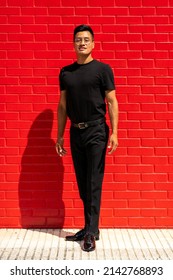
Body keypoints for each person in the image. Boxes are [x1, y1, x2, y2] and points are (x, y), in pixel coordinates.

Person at [56, 24, 118, 252]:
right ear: (74, 44)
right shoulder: (66, 72)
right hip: (75, 131)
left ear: (93, 43)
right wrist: (60, 135)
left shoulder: (103, 70)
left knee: (94, 182)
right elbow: (62, 106)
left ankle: (91, 231)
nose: (82, 43)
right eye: (78, 40)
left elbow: (112, 101)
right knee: (83, 183)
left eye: (86, 39)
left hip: (97, 131)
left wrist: (115, 133)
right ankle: (90, 227)